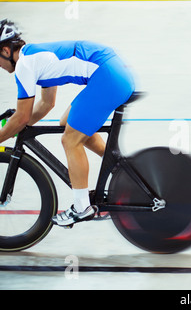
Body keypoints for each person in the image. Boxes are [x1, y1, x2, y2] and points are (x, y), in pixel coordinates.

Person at [0, 19, 135, 227]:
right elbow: (46, 104)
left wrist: (14, 127)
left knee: (71, 139)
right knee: (67, 123)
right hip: (112, 71)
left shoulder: (24, 66)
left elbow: (22, 117)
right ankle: (119, 167)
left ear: (6, 51)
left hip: (107, 76)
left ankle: (82, 207)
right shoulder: (33, 57)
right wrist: (17, 127)